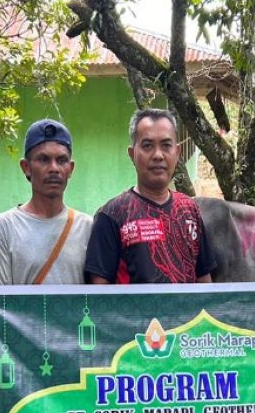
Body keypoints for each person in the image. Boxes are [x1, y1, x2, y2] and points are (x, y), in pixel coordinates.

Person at [84, 108, 216, 284]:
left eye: (166, 145)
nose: (158, 155)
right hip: (134, 312)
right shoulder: (112, 215)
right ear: (132, 154)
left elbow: (204, 282)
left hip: (187, 313)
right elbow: (99, 292)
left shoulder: (190, 210)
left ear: (177, 153)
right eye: (147, 146)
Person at [0, 119, 92, 284]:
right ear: (26, 167)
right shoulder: (5, 227)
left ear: (70, 169)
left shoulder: (87, 227)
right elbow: (0, 303)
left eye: (62, 160)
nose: (54, 168)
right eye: (43, 159)